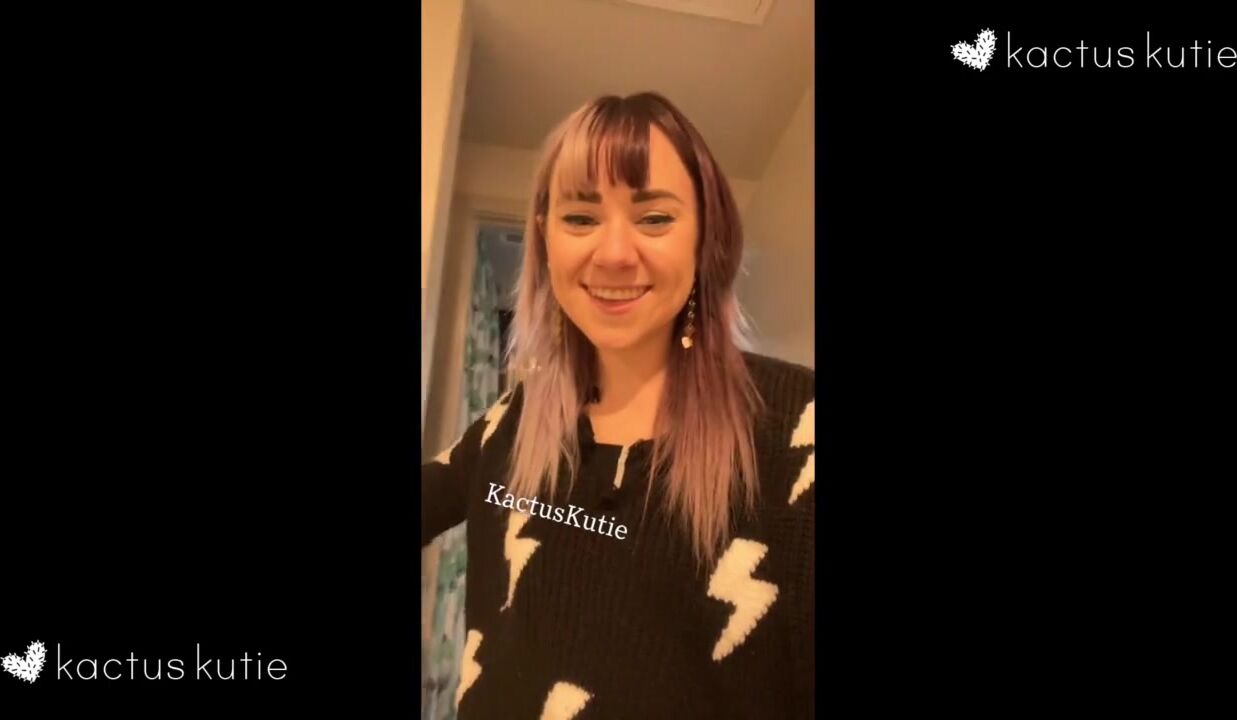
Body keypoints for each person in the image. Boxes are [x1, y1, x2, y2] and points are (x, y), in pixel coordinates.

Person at [422, 92, 815, 719]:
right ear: (546, 239)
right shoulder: (511, 424)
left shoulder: (797, 428)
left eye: (654, 218)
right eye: (580, 218)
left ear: (706, 238)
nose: (612, 253)